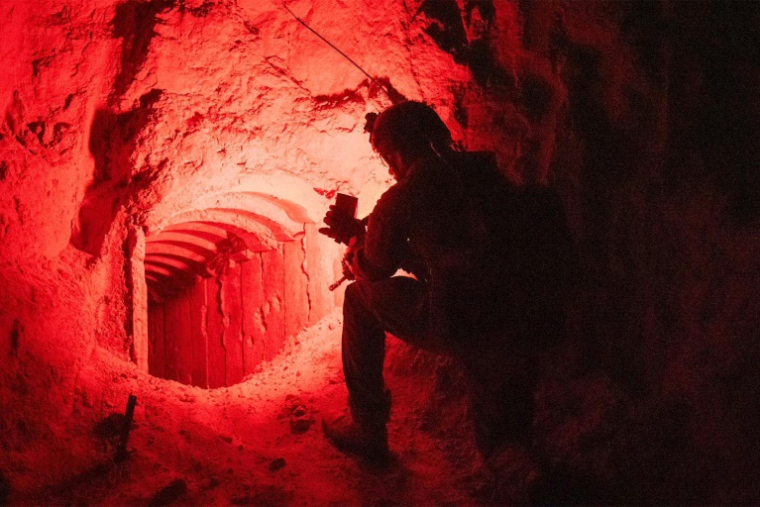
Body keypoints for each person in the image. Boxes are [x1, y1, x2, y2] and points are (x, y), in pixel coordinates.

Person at [319, 101, 576, 462]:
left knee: (359, 298)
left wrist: (357, 248)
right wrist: (366, 232)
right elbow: (451, 249)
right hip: (520, 308)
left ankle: (368, 428)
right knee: (505, 433)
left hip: (463, 318)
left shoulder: (403, 197)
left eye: (384, 156)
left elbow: (374, 268)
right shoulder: (481, 172)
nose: (388, 168)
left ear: (393, 152)